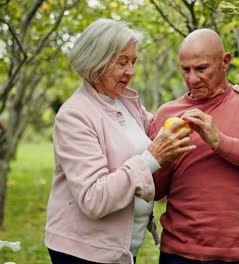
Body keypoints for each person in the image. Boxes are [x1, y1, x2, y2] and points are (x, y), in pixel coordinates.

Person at [44, 19, 196, 264]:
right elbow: (94, 199)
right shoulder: (74, 116)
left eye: (133, 62)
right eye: (122, 62)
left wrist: (224, 92)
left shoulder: (124, 102)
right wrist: (152, 158)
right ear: (96, 61)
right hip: (85, 252)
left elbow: (162, 125)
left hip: (122, 249)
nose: (131, 71)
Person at [149, 29, 239, 263]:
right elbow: (155, 192)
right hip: (179, 253)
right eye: (185, 70)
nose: (192, 79)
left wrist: (220, 141)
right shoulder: (167, 114)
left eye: (201, 68)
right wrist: (164, 155)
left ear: (225, 62)